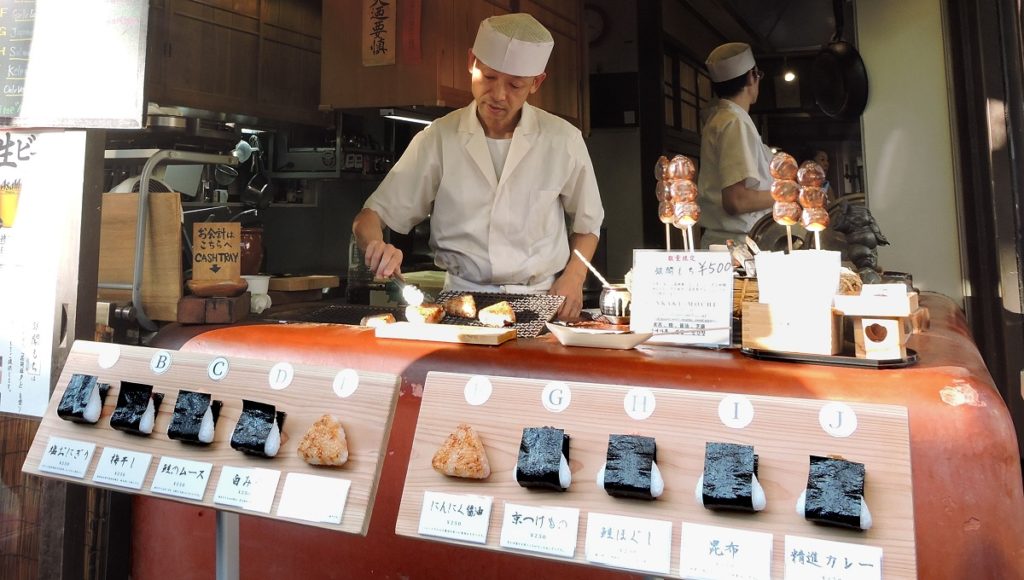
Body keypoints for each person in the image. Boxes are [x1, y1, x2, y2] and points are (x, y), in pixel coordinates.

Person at [352, 13, 605, 320]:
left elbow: (588, 225)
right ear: (472, 61)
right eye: (488, 77)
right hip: (459, 303)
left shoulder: (563, 140)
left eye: (515, 85)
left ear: (536, 83)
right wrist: (377, 245)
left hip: (540, 300)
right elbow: (370, 217)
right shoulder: (439, 138)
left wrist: (574, 277)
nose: (499, 95)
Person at [697, 42, 773, 248]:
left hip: (730, 243)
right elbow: (736, 201)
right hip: (736, 247)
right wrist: (789, 194)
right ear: (752, 76)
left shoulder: (724, 118)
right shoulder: (734, 121)